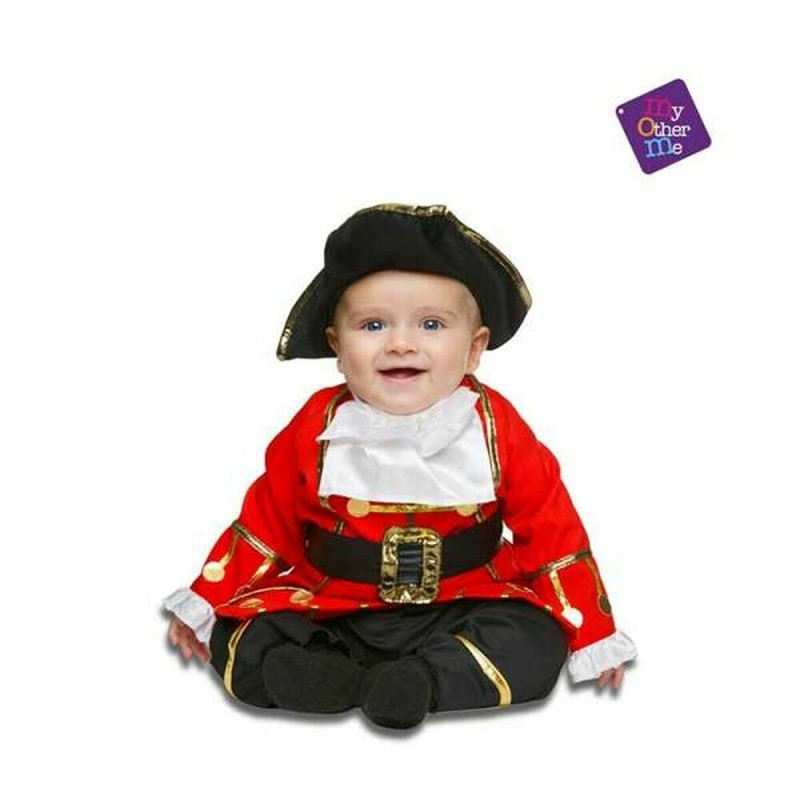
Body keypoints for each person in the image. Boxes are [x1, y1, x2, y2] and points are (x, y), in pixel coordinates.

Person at [164, 203, 637, 729]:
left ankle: (420, 681)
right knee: (242, 637)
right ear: (337, 346)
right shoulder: (315, 426)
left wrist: (594, 634)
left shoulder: (495, 426)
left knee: (536, 641)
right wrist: (205, 601)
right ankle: (327, 675)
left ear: (474, 348)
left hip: (464, 602)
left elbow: (552, 533)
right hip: (334, 605)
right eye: (373, 325)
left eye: (432, 324)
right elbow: (265, 524)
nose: (401, 343)